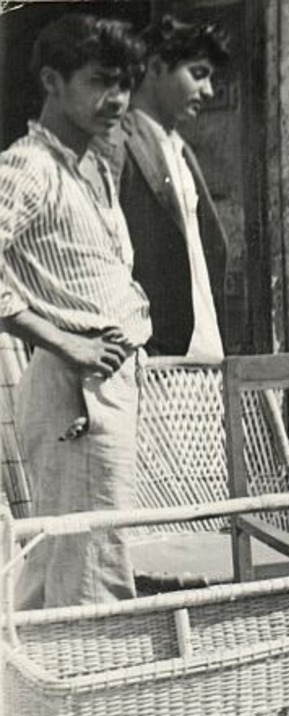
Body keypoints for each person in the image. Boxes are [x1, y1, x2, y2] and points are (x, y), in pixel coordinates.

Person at [0, 14, 149, 609]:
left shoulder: (92, 165)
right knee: (91, 567)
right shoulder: (29, 167)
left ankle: (31, 690)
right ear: (52, 81)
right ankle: (96, 694)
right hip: (77, 383)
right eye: (99, 82)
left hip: (106, 378)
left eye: (125, 83)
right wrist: (67, 341)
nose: (116, 100)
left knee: (61, 558)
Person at [110, 14, 229, 362]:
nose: (207, 90)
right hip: (152, 357)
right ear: (157, 67)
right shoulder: (117, 142)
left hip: (203, 352)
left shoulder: (180, 149)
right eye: (198, 74)